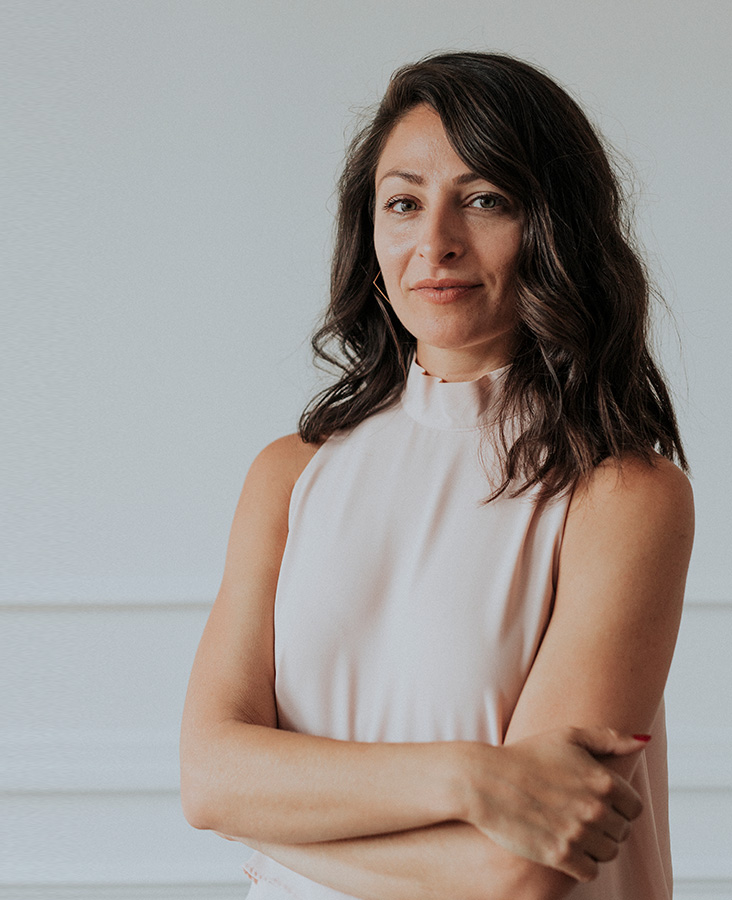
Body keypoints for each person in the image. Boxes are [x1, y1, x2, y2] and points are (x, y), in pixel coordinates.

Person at [180, 50, 694, 900]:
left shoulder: (623, 495)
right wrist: (471, 778)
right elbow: (208, 779)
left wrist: (266, 823)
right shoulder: (289, 476)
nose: (436, 243)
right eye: (405, 202)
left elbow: (517, 873)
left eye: (485, 199)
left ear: (554, 226)